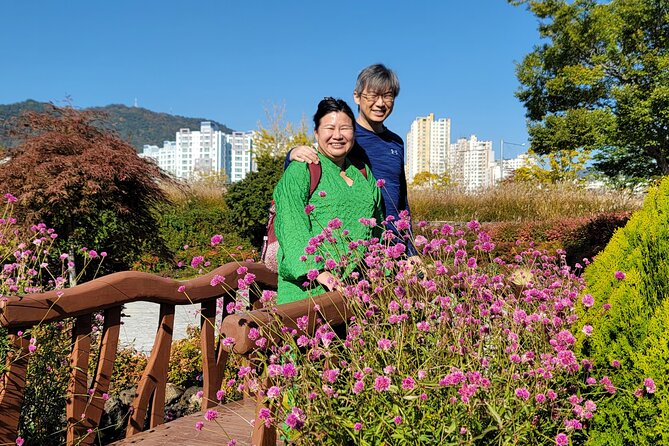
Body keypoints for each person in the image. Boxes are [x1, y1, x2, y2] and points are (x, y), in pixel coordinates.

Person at [286, 64, 420, 260]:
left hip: (394, 248)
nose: (380, 103)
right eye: (373, 95)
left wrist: (410, 251)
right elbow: (309, 168)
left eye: (388, 96)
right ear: (357, 96)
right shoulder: (345, 136)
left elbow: (402, 203)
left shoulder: (396, 143)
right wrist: (292, 154)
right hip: (356, 247)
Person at [274, 97, 382, 304]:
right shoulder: (302, 169)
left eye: (345, 128)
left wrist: (382, 268)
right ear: (316, 132)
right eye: (329, 128)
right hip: (309, 289)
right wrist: (320, 272)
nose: (338, 136)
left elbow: (378, 226)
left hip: (358, 290)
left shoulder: (363, 173)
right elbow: (291, 224)